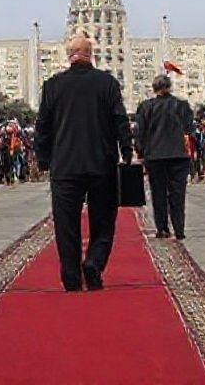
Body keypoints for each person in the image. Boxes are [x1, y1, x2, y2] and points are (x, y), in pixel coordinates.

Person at [34, 31, 132, 292]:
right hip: (102, 163)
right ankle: (94, 263)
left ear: (70, 56)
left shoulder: (53, 86)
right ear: (91, 55)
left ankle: (71, 277)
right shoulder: (107, 83)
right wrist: (127, 150)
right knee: (104, 221)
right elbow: (120, 119)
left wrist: (43, 159)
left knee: (66, 224)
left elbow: (43, 126)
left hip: (64, 165)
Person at [134, 74, 193, 240]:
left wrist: (140, 152)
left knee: (158, 193)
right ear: (169, 86)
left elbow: (140, 132)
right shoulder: (181, 105)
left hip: (155, 156)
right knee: (178, 193)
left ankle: (162, 228)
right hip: (178, 155)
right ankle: (179, 228)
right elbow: (189, 128)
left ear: (154, 88)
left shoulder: (146, 107)